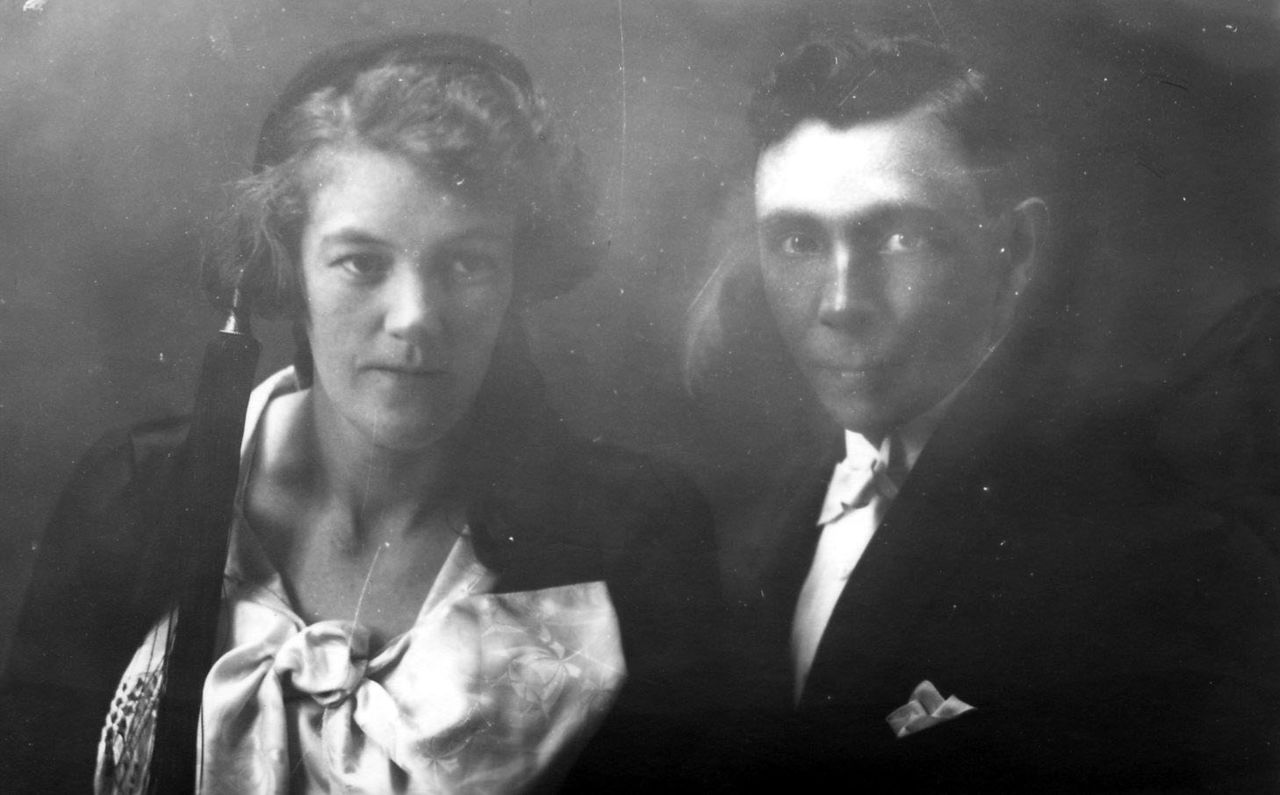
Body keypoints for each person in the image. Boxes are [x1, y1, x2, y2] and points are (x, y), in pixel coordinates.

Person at [1, 33, 719, 794]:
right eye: (361, 262)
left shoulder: (632, 537)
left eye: (466, 262)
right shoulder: (136, 494)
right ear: (289, 269)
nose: (414, 316)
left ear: (516, 276)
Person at [686, 32, 1280, 790]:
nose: (841, 303)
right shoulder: (770, 516)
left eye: (899, 235)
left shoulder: (1155, 552)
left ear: (1018, 249)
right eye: (798, 240)